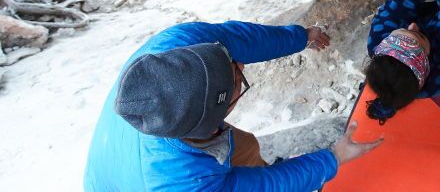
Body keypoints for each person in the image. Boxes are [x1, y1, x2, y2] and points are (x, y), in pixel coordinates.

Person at [84, 20, 382, 191]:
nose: (239, 64)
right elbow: (265, 188)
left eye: (227, 60)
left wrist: (300, 37)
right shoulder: (183, 182)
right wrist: (332, 158)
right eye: (239, 78)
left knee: (246, 147)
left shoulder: (175, 48)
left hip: (126, 153)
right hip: (128, 182)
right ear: (216, 117)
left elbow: (237, 39)